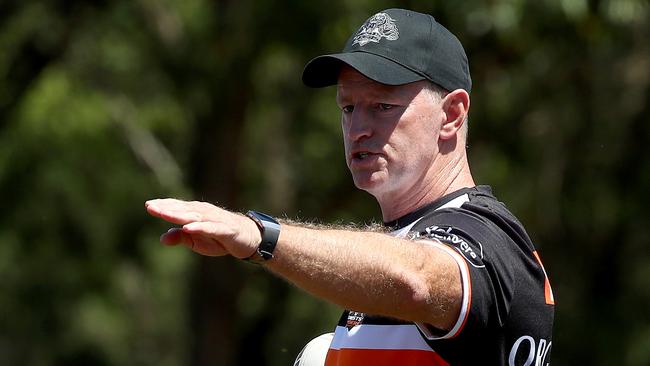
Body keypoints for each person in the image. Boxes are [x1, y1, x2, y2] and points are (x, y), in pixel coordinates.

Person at [145, 8, 555, 365]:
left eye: (383, 106)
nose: (357, 129)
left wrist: (260, 235)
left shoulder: (486, 235)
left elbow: (416, 279)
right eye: (347, 107)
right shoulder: (396, 250)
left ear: (451, 115)